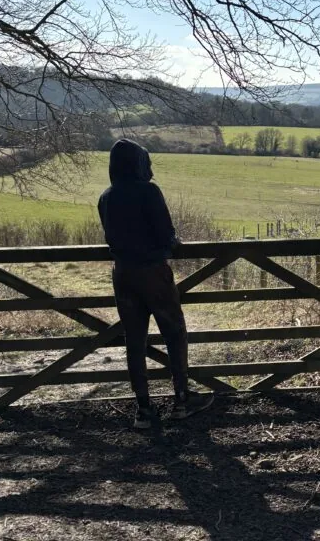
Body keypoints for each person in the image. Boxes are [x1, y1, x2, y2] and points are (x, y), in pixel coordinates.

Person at [98, 139, 213, 428]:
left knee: (135, 341)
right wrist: (173, 241)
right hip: (152, 272)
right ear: (138, 164)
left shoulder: (106, 197)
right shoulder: (148, 192)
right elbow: (165, 235)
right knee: (174, 332)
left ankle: (144, 409)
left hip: (122, 274)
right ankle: (182, 399)